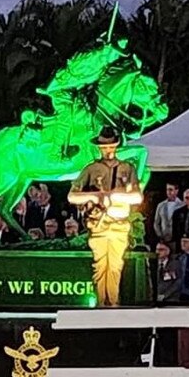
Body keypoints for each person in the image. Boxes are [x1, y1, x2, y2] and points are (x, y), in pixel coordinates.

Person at [68, 127, 142, 306]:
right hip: (99, 224)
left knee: (116, 266)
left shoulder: (127, 168)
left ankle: (114, 303)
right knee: (100, 266)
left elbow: (137, 196)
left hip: (119, 224)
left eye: (111, 146)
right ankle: (101, 304)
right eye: (104, 147)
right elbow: (72, 196)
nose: (108, 150)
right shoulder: (91, 169)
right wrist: (95, 196)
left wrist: (114, 195)